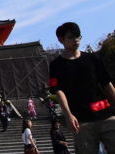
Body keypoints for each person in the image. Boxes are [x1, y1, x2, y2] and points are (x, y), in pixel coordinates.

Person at [49, 22, 115, 153]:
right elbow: (58, 91)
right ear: (61, 39)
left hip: (106, 114)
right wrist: (68, 115)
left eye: (78, 37)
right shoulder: (56, 65)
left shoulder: (92, 58)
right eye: (71, 37)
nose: (76, 40)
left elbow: (107, 84)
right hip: (81, 119)